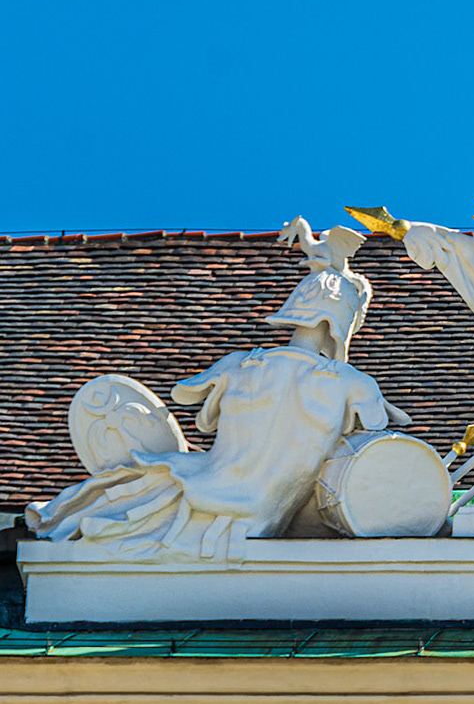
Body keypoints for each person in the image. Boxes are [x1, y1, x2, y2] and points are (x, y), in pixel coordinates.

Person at [28, 220, 407, 559]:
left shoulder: (240, 363)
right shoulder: (353, 384)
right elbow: (381, 441)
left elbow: (190, 402)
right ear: (344, 324)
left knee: (125, 496)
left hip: (198, 487)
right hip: (258, 517)